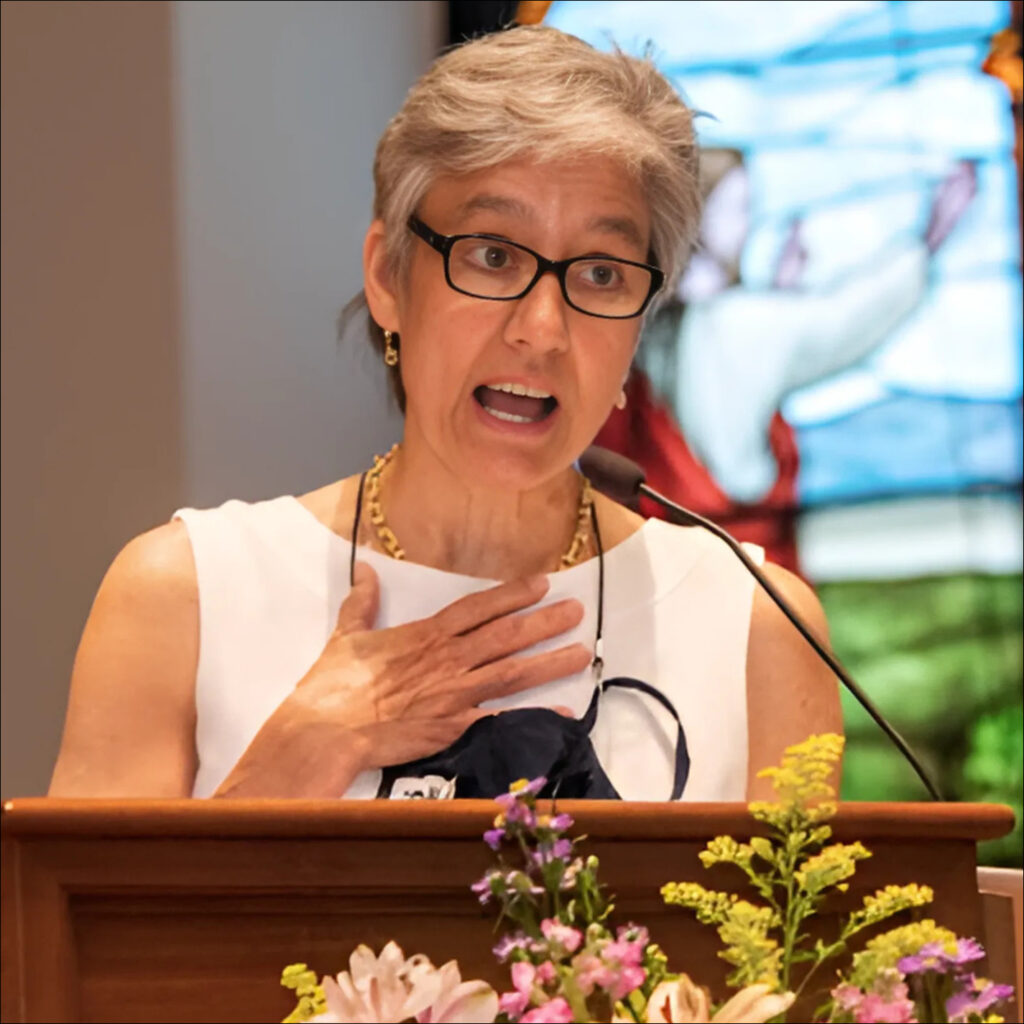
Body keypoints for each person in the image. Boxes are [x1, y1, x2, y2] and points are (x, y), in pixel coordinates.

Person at [48, 25, 840, 803]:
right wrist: (297, 760)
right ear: (388, 278)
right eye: (493, 256)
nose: (542, 329)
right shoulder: (182, 595)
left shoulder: (756, 626)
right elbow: (83, 899)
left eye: (601, 273)